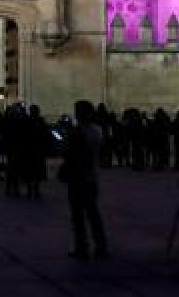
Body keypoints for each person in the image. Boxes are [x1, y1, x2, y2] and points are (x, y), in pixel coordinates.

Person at [61, 100, 108, 261]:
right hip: (91, 176)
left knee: (78, 215)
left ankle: (82, 247)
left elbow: (72, 152)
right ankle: (101, 246)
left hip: (78, 177)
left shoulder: (79, 132)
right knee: (93, 213)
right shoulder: (97, 130)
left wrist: (69, 134)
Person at [20, 105, 51, 199]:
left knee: (31, 170)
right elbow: (45, 133)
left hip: (31, 149)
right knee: (36, 170)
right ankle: (35, 189)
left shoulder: (27, 121)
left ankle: (31, 189)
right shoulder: (39, 121)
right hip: (36, 149)